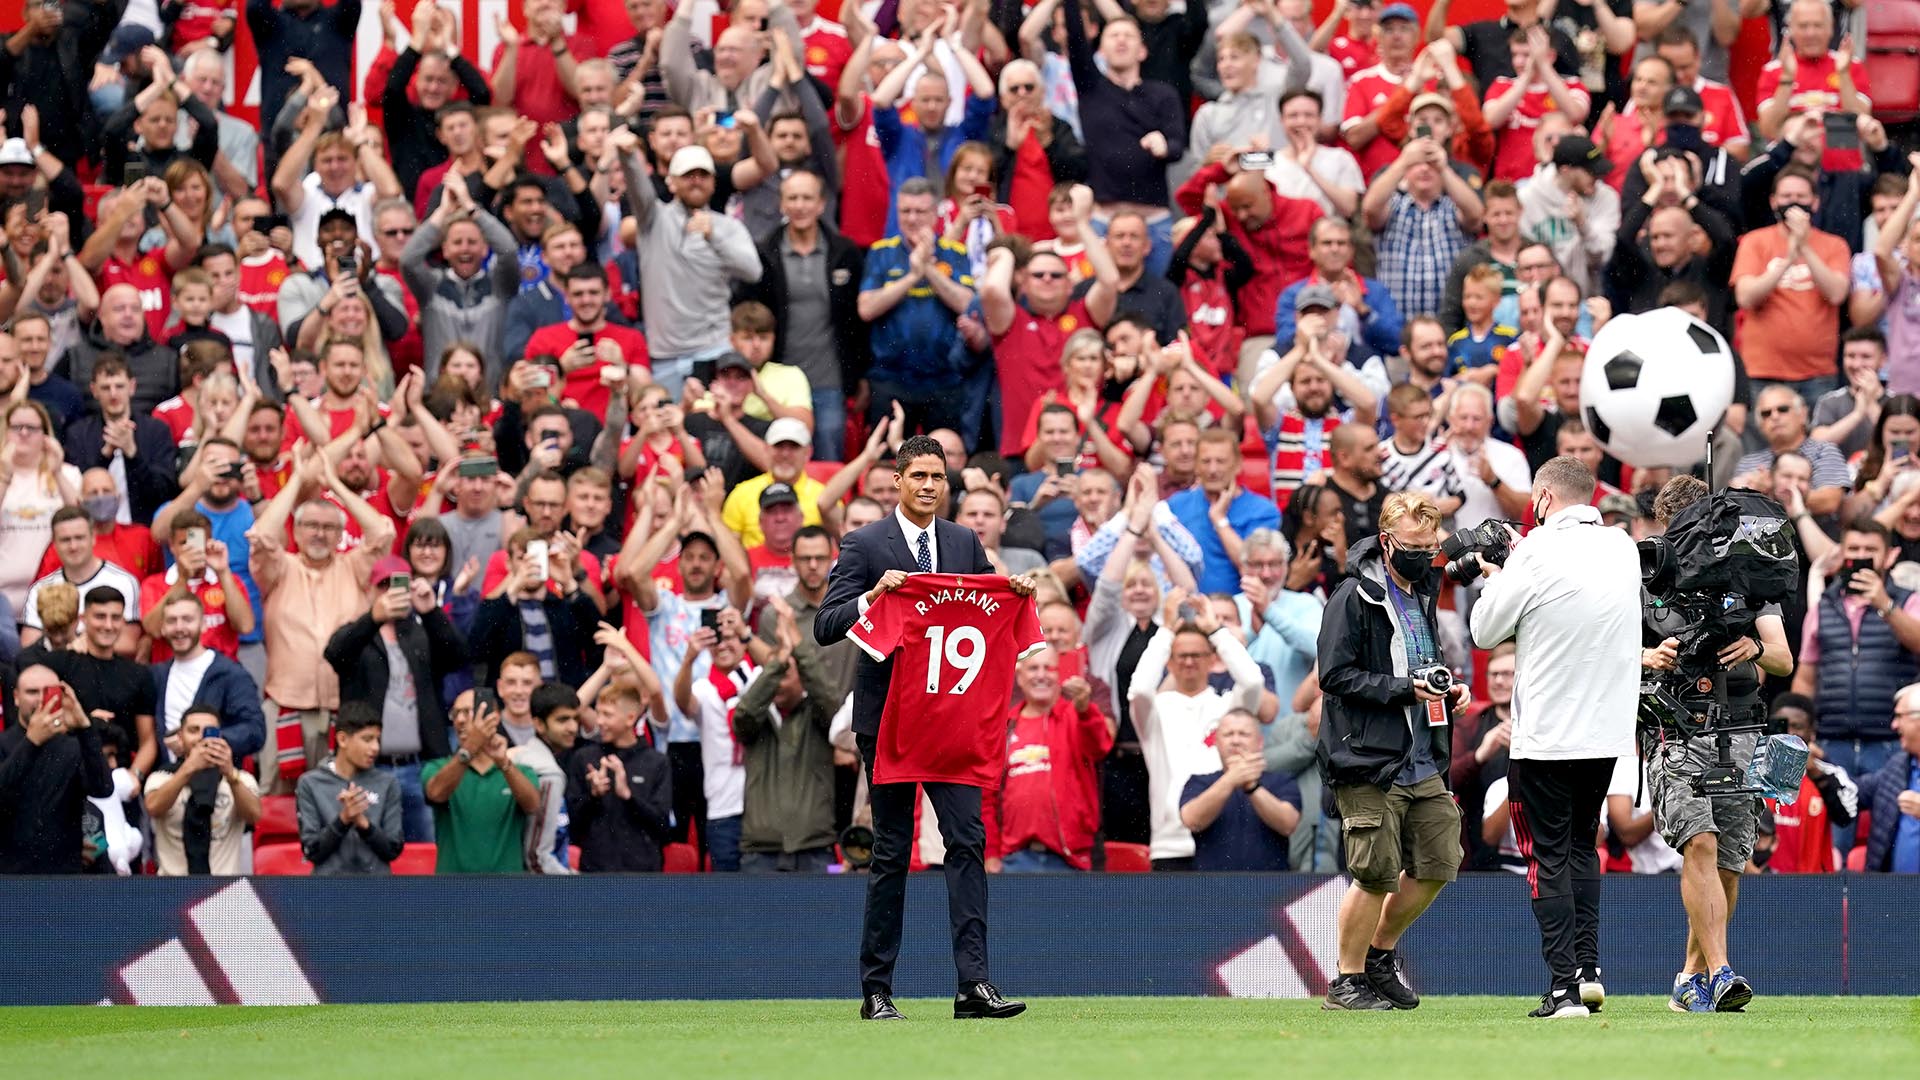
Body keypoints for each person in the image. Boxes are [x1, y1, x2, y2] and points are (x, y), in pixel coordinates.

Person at [814, 435, 1028, 1021]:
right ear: (898, 481)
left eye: (938, 476)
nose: (929, 485)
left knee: (967, 840)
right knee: (891, 850)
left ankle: (973, 986)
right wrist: (870, 599)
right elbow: (825, 625)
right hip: (887, 720)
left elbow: (987, 608)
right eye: (919, 476)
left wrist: (1016, 591)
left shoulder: (964, 542)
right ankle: (877, 990)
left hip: (949, 720)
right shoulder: (863, 544)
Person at [1471, 455, 1642, 1018]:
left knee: (1548, 857)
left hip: (1546, 735)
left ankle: (1564, 987)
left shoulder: (1535, 551)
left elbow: (1484, 630)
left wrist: (1496, 579)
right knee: (1581, 847)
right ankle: (1590, 970)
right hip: (1605, 733)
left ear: (1542, 499)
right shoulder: (1622, 546)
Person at [1641, 476, 1793, 1012]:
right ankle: (1724, 971)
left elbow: (1783, 660)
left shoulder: (1752, 582)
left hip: (1740, 728)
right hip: (1677, 729)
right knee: (1699, 846)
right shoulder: (1648, 583)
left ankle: (1690, 978)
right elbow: (1606, 649)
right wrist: (1645, 657)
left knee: (1728, 863)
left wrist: (1753, 645)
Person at [1316, 492, 1466, 1010]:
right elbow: (1333, 676)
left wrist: (1450, 690)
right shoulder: (1354, 595)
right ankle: (1346, 980)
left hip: (1422, 752)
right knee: (1374, 872)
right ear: (1386, 541)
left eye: (1431, 547)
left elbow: (1425, 660)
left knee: (1440, 859)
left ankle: (1379, 955)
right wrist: (1405, 689)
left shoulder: (1424, 589)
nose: (1425, 556)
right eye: (1414, 546)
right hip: (1368, 756)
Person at [323, 556, 468, 843]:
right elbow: (335, 654)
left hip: (419, 766)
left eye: (398, 585)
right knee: (369, 851)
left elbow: (457, 658)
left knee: (425, 852)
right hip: (369, 767)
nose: (391, 593)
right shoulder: (358, 632)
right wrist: (373, 618)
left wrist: (431, 611)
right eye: (383, 586)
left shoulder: (422, 632)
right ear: (371, 592)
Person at [984, 645, 1114, 872]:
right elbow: (987, 798)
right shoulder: (1005, 727)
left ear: (1059, 674)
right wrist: (991, 854)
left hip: (1071, 859)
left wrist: (1085, 709)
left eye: (1049, 668)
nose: (1041, 675)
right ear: (1019, 676)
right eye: (1033, 668)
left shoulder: (1076, 716)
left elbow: (1100, 747)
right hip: (1014, 860)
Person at [733, 599, 841, 872]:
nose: (779, 682)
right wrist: (779, 660)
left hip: (814, 849)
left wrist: (797, 643)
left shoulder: (818, 717)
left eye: (786, 674)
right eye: (774, 675)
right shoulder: (757, 720)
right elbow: (743, 715)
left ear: (801, 678)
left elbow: (829, 700)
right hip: (761, 852)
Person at [0, 665, 112, 874]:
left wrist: (84, 727)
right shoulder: (3, 743)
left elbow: (102, 789)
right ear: (16, 697)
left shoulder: (73, 746)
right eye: (32, 692)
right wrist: (31, 742)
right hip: (9, 879)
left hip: (64, 879)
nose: (41, 699)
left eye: (48, 691)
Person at [423, 689, 543, 873]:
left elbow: (533, 805)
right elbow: (436, 793)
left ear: (492, 718)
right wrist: (469, 748)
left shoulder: (519, 771)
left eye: (467, 712)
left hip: (506, 891)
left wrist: (504, 762)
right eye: (455, 714)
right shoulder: (437, 768)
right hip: (452, 891)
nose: (460, 720)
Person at [566, 679, 674, 873]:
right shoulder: (585, 759)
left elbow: (663, 826)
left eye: (607, 715)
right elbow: (573, 825)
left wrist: (628, 797)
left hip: (642, 875)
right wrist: (594, 796)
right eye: (598, 713)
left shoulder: (656, 762)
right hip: (595, 873)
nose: (599, 721)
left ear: (630, 718)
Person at [141, 704, 263, 875]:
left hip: (225, 891)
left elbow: (254, 815)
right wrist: (188, 769)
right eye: (193, 730)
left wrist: (230, 774)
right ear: (180, 738)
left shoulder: (239, 779)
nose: (201, 738)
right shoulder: (161, 777)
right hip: (172, 888)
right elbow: (153, 807)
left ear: (220, 737)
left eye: (209, 731)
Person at [1180, 707, 1301, 871]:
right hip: (1210, 889)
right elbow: (1191, 819)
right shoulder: (1200, 782)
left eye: (1243, 734)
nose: (1235, 740)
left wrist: (1252, 787)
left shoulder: (1281, 780)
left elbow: (1288, 824)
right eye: (1228, 734)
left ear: (1260, 742)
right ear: (1216, 741)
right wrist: (1230, 779)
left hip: (1272, 888)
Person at [294, 701, 406, 874]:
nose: (376, 747)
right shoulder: (310, 783)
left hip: (377, 894)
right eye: (367, 739)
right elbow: (312, 851)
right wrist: (343, 820)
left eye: (378, 739)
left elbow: (393, 850)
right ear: (342, 739)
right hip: (328, 895)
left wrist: (363, 824)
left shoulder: (388, 784)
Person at [1854, 683, 1920, 873]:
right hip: (1892, 896)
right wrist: (1820, 768)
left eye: (1900, 716)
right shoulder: (1897, 766)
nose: (1894, 725)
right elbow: (1853, 791)